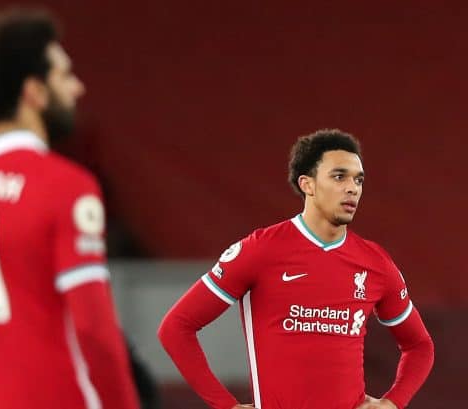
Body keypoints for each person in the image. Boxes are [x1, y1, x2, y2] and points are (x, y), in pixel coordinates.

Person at [0, 9, 140, 409]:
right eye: (64, 75)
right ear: (34, 92)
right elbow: (94, 330)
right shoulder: (66, 186)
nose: (77, 87)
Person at [158, 129, 434, 409]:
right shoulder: (260, 250)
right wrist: (224, 405)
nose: (353, 188)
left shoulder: (376, 264)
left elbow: (420, 346)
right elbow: (176, 328)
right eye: (339, 177)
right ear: (307, 184)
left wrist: (393, 403)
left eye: (358, 179)